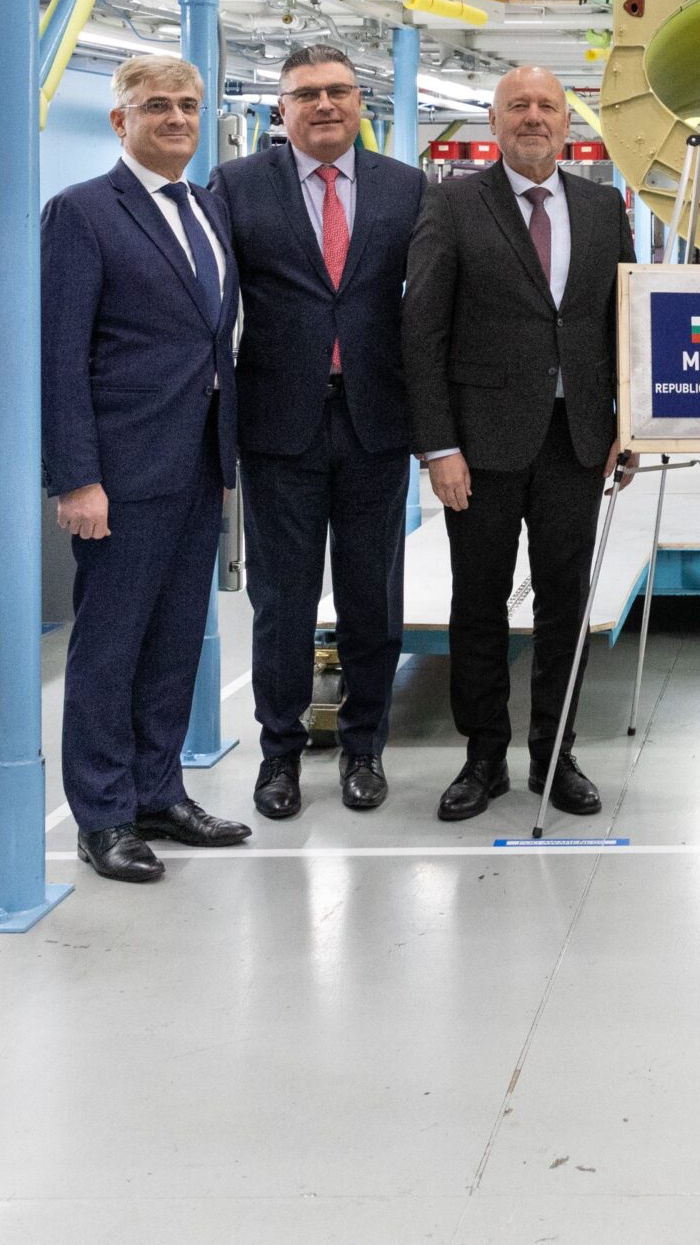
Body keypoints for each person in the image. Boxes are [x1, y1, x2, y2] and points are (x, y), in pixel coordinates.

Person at [404, 66, 635, 823]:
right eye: (518, 107)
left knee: (566, 601)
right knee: (479, 603)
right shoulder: (452, 201)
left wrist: (627, 425)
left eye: (546, 107)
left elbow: (622, 326)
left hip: (577, 442)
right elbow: (423, 330)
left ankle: (555, 753)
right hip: (482, 446)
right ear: (494, 121)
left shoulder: (604, 208)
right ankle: (483, 757)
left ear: (569, 124)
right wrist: (438, 445)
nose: (533, 117)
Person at [42, 54, 252, 883]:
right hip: (121, 471)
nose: (175, 118)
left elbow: (210, 338)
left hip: (200, 460)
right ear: (119, 121)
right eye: (156, 105)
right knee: (109, 644)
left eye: (189, 106)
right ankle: (103, 814)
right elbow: (61, 354)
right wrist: (75, 477)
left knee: (174, 641)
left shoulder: (205, 208)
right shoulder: (83, 213)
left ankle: (159, 789)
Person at [213, 44, 426, 821]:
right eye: (307, 94)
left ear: (360, 101)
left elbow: (431, 305)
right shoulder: (235, 187)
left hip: (377, 419)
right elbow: (210, 308)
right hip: (279, 428)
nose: (325, 103)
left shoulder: (406, 189)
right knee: (282, 602)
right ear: (281, 111)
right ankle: (280, 756)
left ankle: (365, 747)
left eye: (339, 90)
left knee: (373, 597)